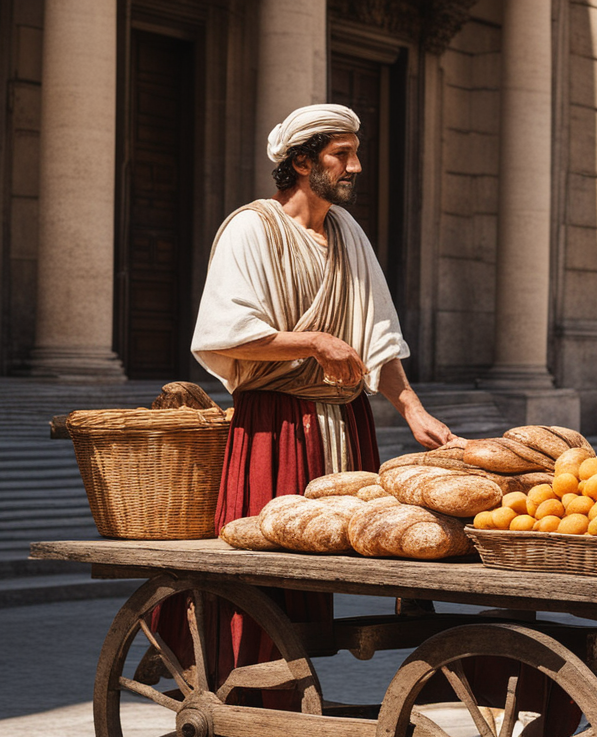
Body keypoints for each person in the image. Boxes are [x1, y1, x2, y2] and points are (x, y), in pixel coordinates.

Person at [189, 103, 454, 661]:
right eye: (343, 154)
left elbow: (378, 335)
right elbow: (223, 334)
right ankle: (248, 686)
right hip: (277, 426)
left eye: (356, 153)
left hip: (347, 426)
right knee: (268, 578)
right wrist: (312, 341)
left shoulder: (348, 233)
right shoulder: (251, 229)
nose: (356, 166)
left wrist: (411, 409)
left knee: (335, 566)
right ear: (305, 162)